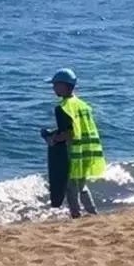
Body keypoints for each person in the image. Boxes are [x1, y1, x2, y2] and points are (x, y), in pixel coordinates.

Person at [43, 68, 105, 218]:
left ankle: (76, 215)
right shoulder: (83, 105)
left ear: (65, 86)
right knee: (82, 185)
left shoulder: (62, 108)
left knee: (71, 188)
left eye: (56, 85)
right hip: (87, 151)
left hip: (73, 153)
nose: (53, 88)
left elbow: (70, 133)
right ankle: (93, 213)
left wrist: (51, 138)